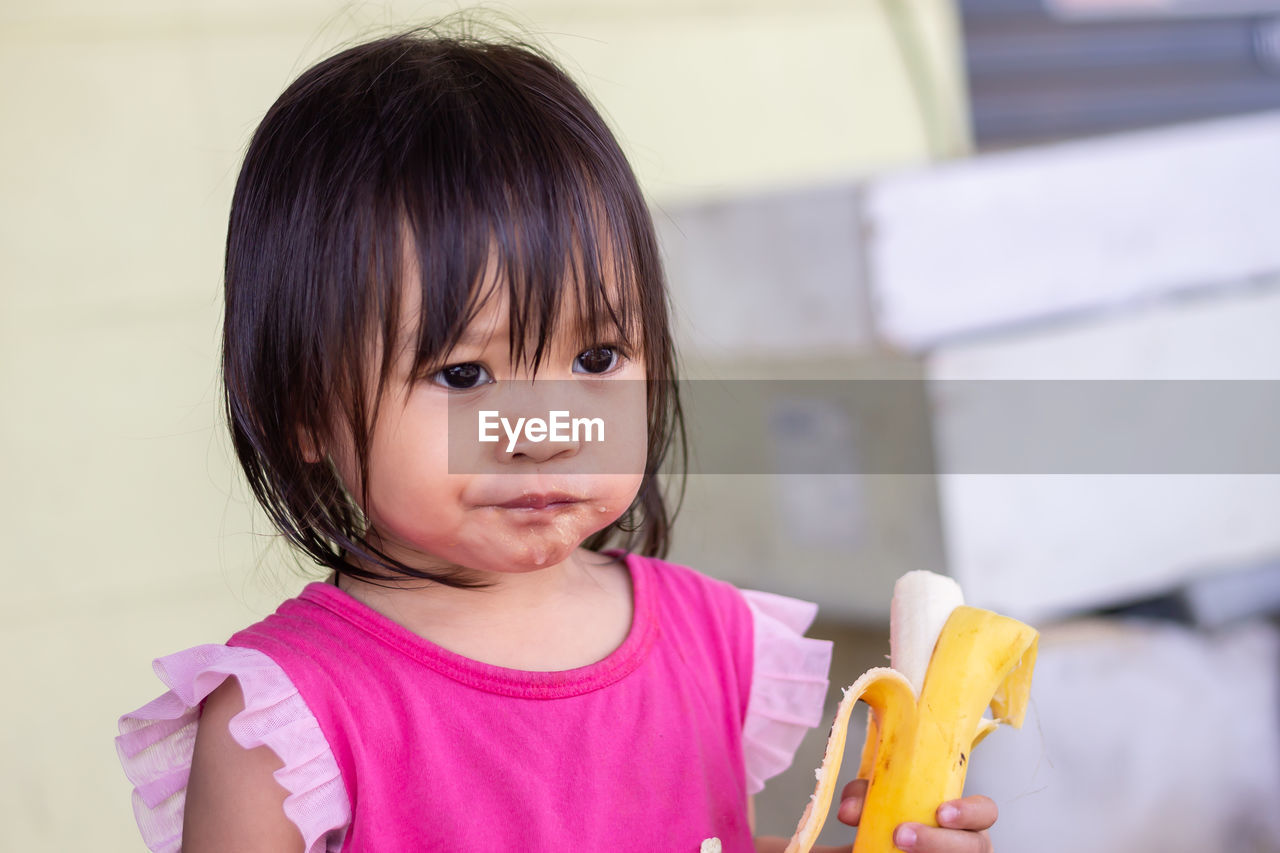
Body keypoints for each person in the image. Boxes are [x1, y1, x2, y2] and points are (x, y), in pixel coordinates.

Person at [115, 22, 999, 853]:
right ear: (305, 406)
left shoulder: (716, 639)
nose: (545, 430)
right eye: (463, 375)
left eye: (597, 355)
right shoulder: (281, 723)